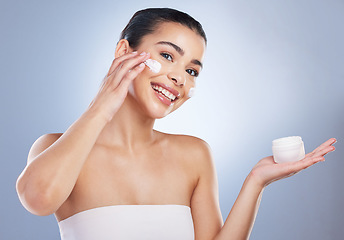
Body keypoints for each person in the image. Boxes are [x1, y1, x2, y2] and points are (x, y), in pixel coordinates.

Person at [16, 8, 336, 240]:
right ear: (124, 51)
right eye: (168, 56)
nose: (179, 77)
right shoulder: (55, 148)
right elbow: (38, 200)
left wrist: (256, 181)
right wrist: (102, 105)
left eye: (192, 70)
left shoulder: (193, 155)